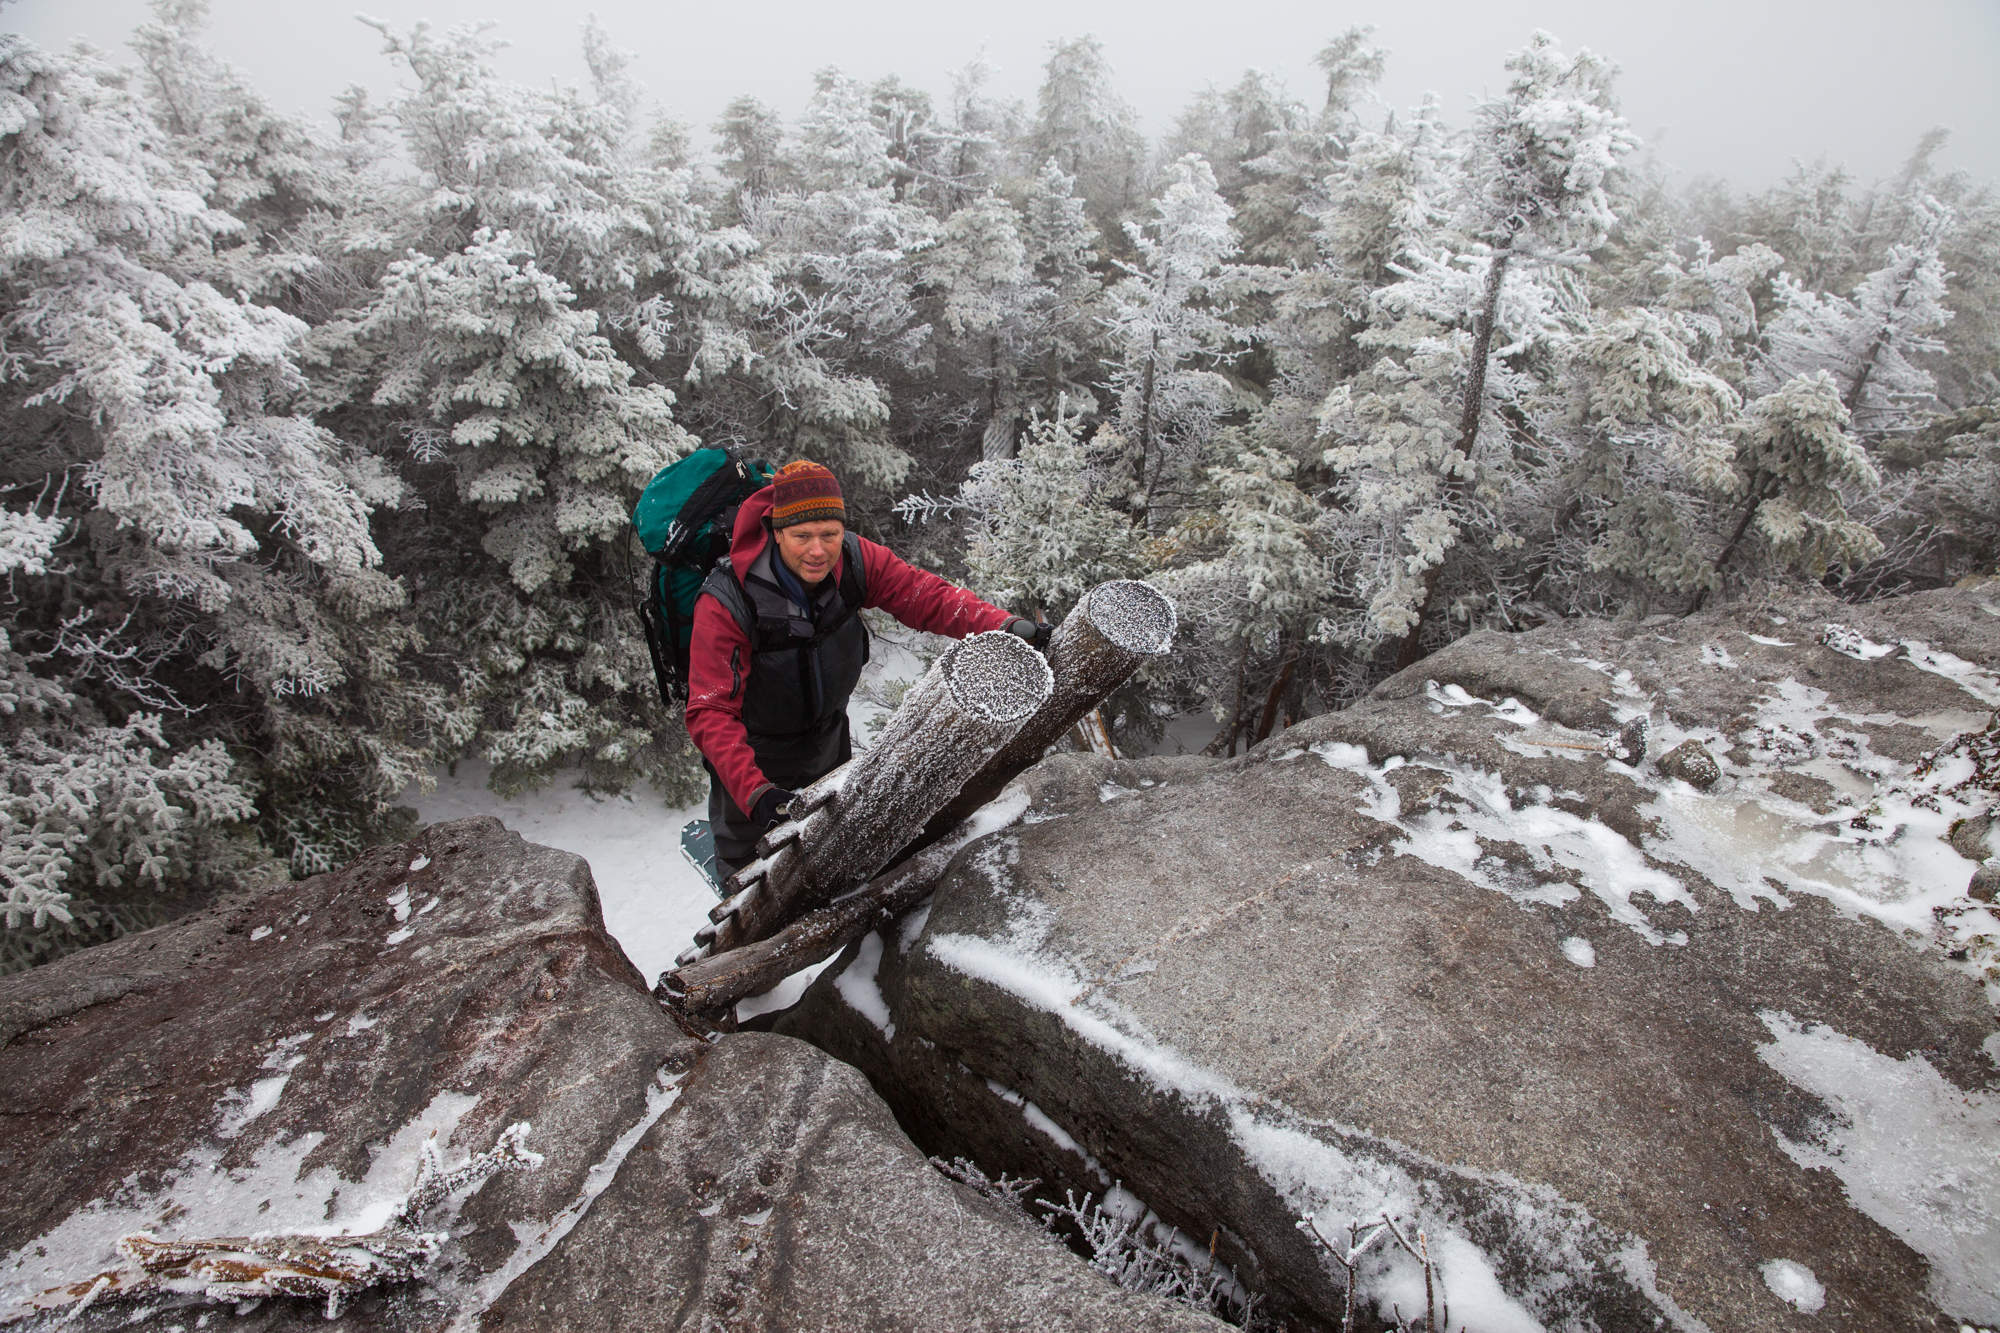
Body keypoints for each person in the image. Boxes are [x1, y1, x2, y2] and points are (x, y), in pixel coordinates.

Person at [685, 459, 1048, 874]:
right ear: (777, 530)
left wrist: (1003, 625)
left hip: (828, 736)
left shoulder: (856, 560)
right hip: (754, 750)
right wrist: (755, 793)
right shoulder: (728, 599)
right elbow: (710, 710)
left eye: (830, 534)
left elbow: (924, 595)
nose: (818, 550)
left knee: (837, 843)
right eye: (802, 536)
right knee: (747, 863)